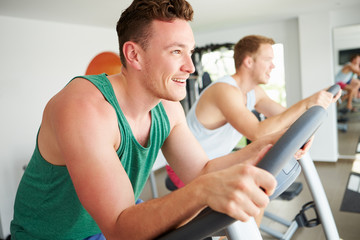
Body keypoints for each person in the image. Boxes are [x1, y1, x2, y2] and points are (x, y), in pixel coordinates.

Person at [10, 1, 284, 239]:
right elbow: (119, 228)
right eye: (176, 51)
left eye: (189, 52)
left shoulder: (167, 106)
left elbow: (200, 170)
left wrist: (266, 145)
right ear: (134, 55)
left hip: (115, 221)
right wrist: (201, 191)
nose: (189, 67)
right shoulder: (85, 108)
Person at [166, 34, 340, 225]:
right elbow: (257, 132)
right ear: (248, 61)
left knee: (260, 184)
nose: (273, 66)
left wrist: (311, 110)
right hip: (187, 170)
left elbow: (287, 116)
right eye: (268, 60)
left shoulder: (253, 92)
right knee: (254, 188)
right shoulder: (224, 90)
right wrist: (307, 103)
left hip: (214, 164)